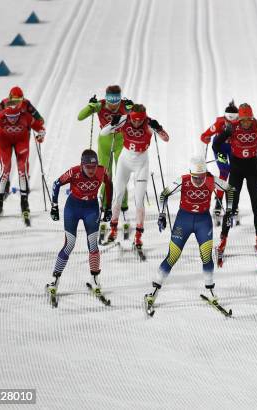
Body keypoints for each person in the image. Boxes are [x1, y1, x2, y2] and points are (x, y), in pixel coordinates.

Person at [144, 157, 234, 314]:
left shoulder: (211, 180)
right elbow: (164, 194)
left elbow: (230, 189)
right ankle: (153, 293)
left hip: (203, 221)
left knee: (206, 256)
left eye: (201, 177)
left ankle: (210, 291)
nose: (198, 181)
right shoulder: (183, 180)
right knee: (173, 256)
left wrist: (230, 211)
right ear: (190, 173)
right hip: (183, 221)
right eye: (195, 177)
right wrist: (161, 214)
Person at [212, 103, 257, 265]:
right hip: (236, 171)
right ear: (239, 118)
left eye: (248, 120)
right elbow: (216, 144)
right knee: (231, 207)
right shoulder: (231, 127)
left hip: (252, 171)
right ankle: (222, 242)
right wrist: (221, 155)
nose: (245, 123)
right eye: (243, 120)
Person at [46, 150, 113, 305]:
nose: (91, 170)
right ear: (82, 165)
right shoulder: (74, 172)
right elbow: (56, 184)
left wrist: (108, 207)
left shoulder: (102, 171)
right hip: (73, 208)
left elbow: (109, 185)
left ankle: (95, 280)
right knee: (69, 244)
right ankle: (54, 281)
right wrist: (54, 207)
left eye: (94, 166)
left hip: (91, 208)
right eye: (88, 167)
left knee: (93, 244)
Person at [100, 104, 169, 250]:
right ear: (131, 116)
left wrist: (159, 129)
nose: (137, 123)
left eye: (140, 121)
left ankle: (138, 236)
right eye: (134, 120)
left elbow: (166, 139)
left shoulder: (149, 123)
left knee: (139, 200)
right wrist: (112, 123)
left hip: (141, 163)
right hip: (125, 160)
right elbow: (103, 133)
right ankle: (113, 229)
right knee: (118, 195)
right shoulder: (124, 119)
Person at [0, 102, 46, 225]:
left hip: (21, 141)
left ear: (19, 113)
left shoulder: (25, 116)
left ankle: (24, 202)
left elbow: (41, 129)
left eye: (15, 116)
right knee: (5, 170)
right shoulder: (1, 116)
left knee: (22, 170)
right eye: (10, 117)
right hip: (4, 141)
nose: (13, 120)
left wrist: (40, 137)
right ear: (5, 114)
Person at [78, 85, 133, 218]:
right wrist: (90, 106)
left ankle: (123, 203)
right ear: (106, 99)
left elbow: (141, 116)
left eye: (116, 102)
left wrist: (133, 109)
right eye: (110, 101)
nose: (113, 105)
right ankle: (105, 203)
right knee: (105, 175)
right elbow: (80, 117)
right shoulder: (100, 105)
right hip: (105, 143)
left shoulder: (125, 105)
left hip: (121, 142)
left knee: (121, 174)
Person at [200, 101, 239, 221]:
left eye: (234, 121)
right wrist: (206, 138)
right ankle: (218, 202)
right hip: (220, 149)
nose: (231, 124)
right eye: (229, 121)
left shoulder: (241, 123)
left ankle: (232, 202)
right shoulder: (219, 123)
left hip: (233, 148)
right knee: (224, 172)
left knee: (236, 173)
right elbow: (204, 135)